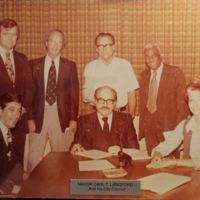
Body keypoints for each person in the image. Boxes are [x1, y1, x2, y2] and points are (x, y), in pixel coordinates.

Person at [28, 29, 79, 172]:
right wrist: (30, 118)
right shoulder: (33, 65)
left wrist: (73, 119)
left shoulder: (70, 66)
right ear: (46, 43)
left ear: (63, 45)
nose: (55, 45)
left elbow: (74, 95)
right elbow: (29, 95)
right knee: (34, 156)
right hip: (39, 115)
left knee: (62, 155)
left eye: (59, 42)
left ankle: (61, 188)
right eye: (52, 41)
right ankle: (33, 189)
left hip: (61, 116)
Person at [139, 43, 189, 155]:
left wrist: (178, 131)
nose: (150, 59)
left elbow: (182, 106)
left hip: (170, 130)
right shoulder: (143, 76)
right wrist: (142, 132)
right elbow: (143, 106)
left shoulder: (175, 73)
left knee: (170, 166)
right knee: (152, 164)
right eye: (147, 56)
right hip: (150, 132)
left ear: (161, 56)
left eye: (154, 55)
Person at [147, 76, 200, 169]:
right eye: (192, 100)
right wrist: (157, 155)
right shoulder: (186, 125)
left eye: (199, 100)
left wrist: (174, 161)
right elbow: (168, 144)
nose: (195, 105)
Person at [0, 18, 34, 163]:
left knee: (17, 158)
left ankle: (16, 186)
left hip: (19, 121)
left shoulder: (22, 59)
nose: (10, 38)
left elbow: (30, 88)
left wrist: (21, 110)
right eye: (6, 34)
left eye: (13, 35)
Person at [83, 32, 139, 118]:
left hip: (121, 114)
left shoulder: (125, 65)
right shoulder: (90, 67)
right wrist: (105, 107)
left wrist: (131, 117)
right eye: (100, 46)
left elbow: (131, 94)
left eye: (107, 45)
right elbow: (86, 95)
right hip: (98, 115)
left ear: (113, 47)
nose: (104, 49)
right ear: (96, 49)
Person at [71, 86, 139, 154]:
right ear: (95, 101)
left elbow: (135, 149)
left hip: (118, 163)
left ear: (115, 102)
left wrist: (121, 150)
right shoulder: (83, 121)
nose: (105, 104)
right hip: (93, 163)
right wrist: (75, 149)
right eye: (101, 100)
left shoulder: (126, 119)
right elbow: (76, 146)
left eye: (109, 101)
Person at [0, 92, 24, 195]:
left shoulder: (6, 132)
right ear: (0, 111)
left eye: (19, 111)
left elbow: (15, 165)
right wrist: (20, 190)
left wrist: (29, 177)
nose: (16, 116)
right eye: (11, 110)